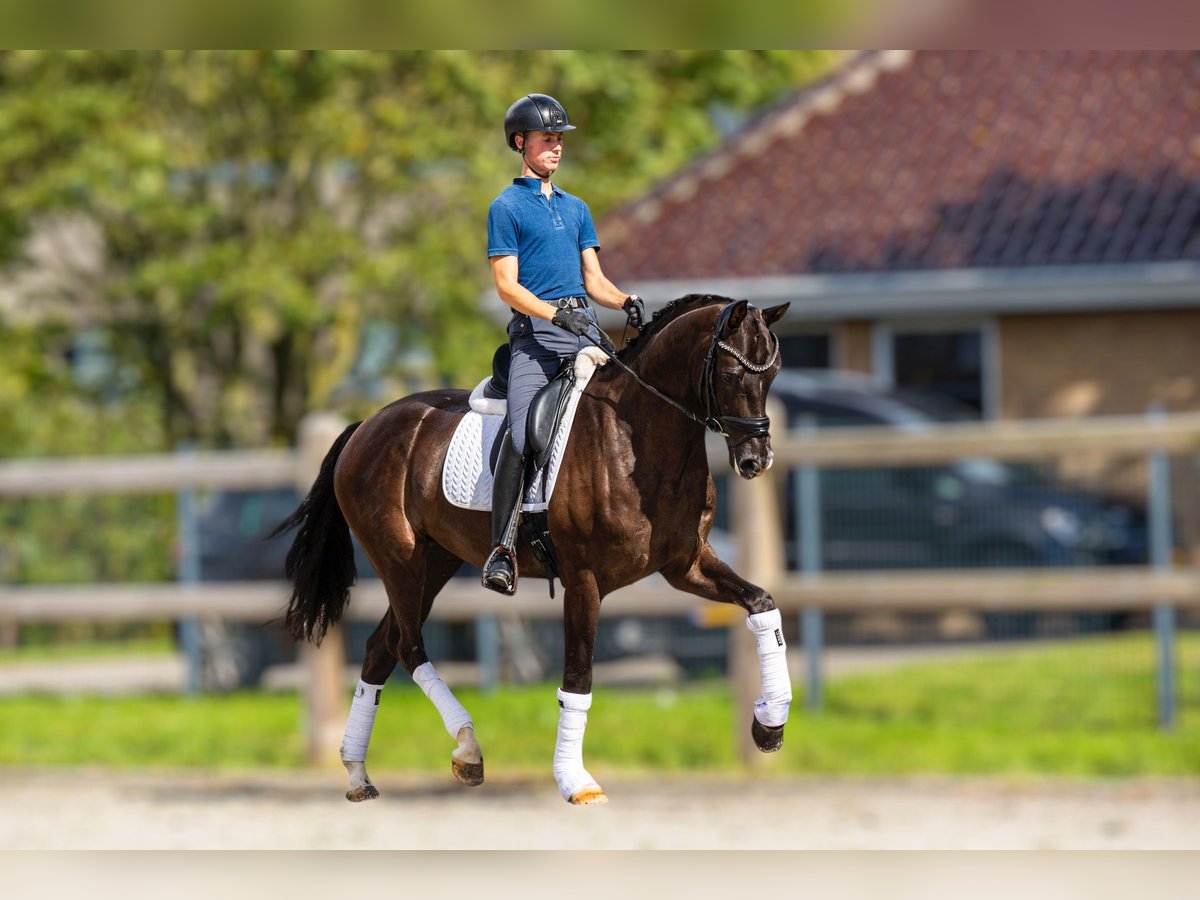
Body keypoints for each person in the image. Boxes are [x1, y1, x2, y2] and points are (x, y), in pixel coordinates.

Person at [482, 93, 645, 595]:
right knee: (525, 430)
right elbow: (507, 286)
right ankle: (503, 549)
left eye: (558, 140)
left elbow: (593, 279)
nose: (556, 148)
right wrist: (555, 314)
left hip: (586, 331)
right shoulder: (505, 207)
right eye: (547, 140)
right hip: (536, 337)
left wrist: (624, 300)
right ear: (520, 143)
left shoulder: (577, 209)